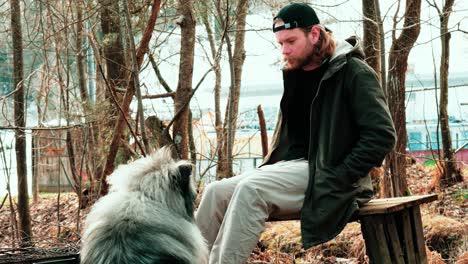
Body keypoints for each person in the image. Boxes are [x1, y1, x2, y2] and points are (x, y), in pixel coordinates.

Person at [195, 3, 396, 264]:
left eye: (291, 41)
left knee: (251, 189)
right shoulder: (295, 74)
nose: (285, 49)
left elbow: (382, 135)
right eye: (280, 43)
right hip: (293, 167)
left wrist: (339, 175)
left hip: (332, 174)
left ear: (314, 34)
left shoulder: (353, 72)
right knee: (215, 192)